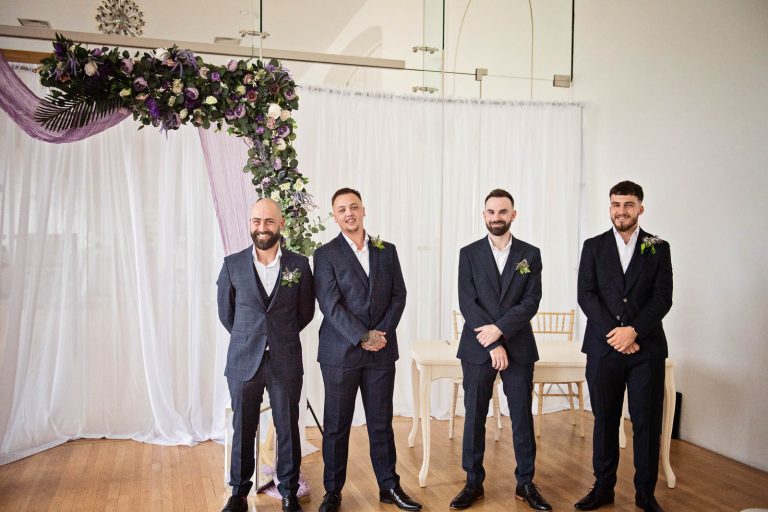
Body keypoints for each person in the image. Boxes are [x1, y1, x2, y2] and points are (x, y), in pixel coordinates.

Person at [313, 188, 421, 512]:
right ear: (335, 216)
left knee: (380, 422)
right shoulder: (326, 254)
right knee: (336, 425)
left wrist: (381, 334)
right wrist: (362, 336)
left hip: (381, 352)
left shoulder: (386, 250)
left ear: (364, 210)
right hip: (340, 353)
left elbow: (399, 295)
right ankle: (332, 492)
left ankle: (389, 486)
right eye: (342, 209)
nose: (349, 213)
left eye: (354, 207)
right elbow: (329, 305)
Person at [450, 188, 552, 511]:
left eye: (502, 212)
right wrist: (492, 341)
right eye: (491, 212)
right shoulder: (468, 253)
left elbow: (531, 301)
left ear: (513, 214)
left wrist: (502, 330)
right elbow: (467, 302)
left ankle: (525, 483)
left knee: (521, 416)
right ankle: (472, 482)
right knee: (474, 416)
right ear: (484, 216)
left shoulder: (530, 254)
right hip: (479, 347)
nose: (497, 217)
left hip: (519, 345)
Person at [575, 180, 672, 512]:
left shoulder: (659, 246)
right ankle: (603, 488)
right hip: (604, 349)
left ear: (640, 208)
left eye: (628, 204)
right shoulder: (593, 246)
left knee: (646, 422)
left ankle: (645, 493)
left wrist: (634, 332)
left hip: (647, 350)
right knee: (605, 419)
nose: (621, 211)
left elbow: (662, 298)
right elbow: (586, 295)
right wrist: (616, 334)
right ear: (610, 208)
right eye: (616, 204)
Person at [217, 198, 315, 512]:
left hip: (284, 360)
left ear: (281, 224)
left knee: (287, 426)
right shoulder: (232, 264)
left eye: (269, 221)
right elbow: (227, 314)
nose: (262, 228)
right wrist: (253, 337)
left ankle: (288, 491)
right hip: (244, 360)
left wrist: (279, 336)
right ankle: (239, 494)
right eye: (256, 221)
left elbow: (305, 312)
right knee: (243, 428)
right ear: (250, 224)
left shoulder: (298, 265)